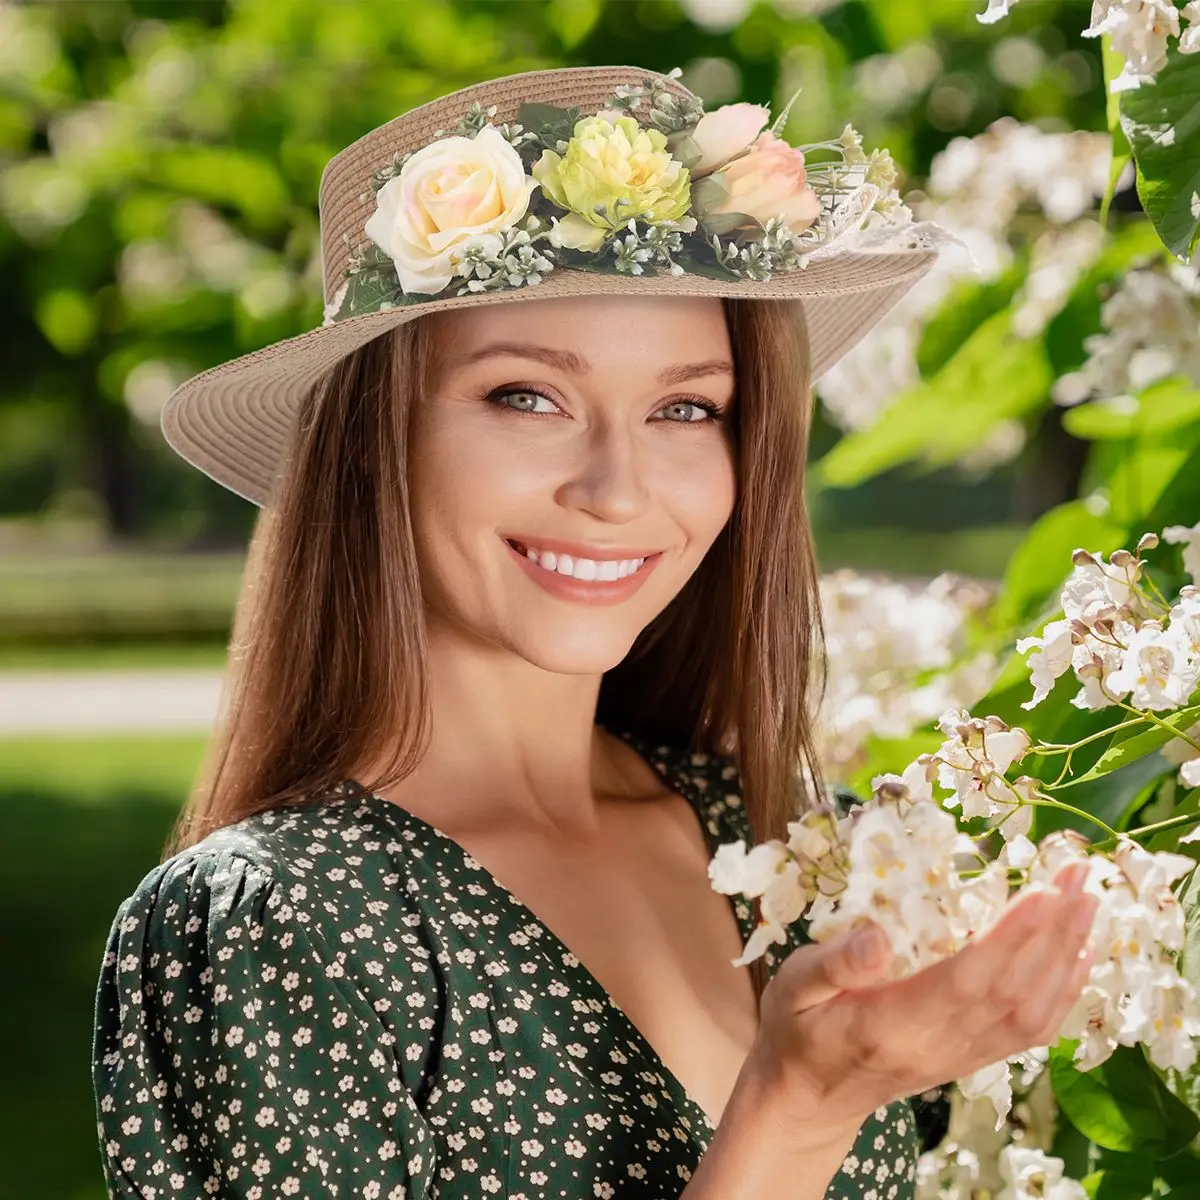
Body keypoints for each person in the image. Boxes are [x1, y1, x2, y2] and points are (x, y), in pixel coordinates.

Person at [91, 65, 1097, 1199]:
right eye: (528, 396)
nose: (619, 492)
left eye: (686, 409)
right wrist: (799, 1113)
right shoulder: (286, 926)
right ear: (374, 438)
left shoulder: (781, 845)